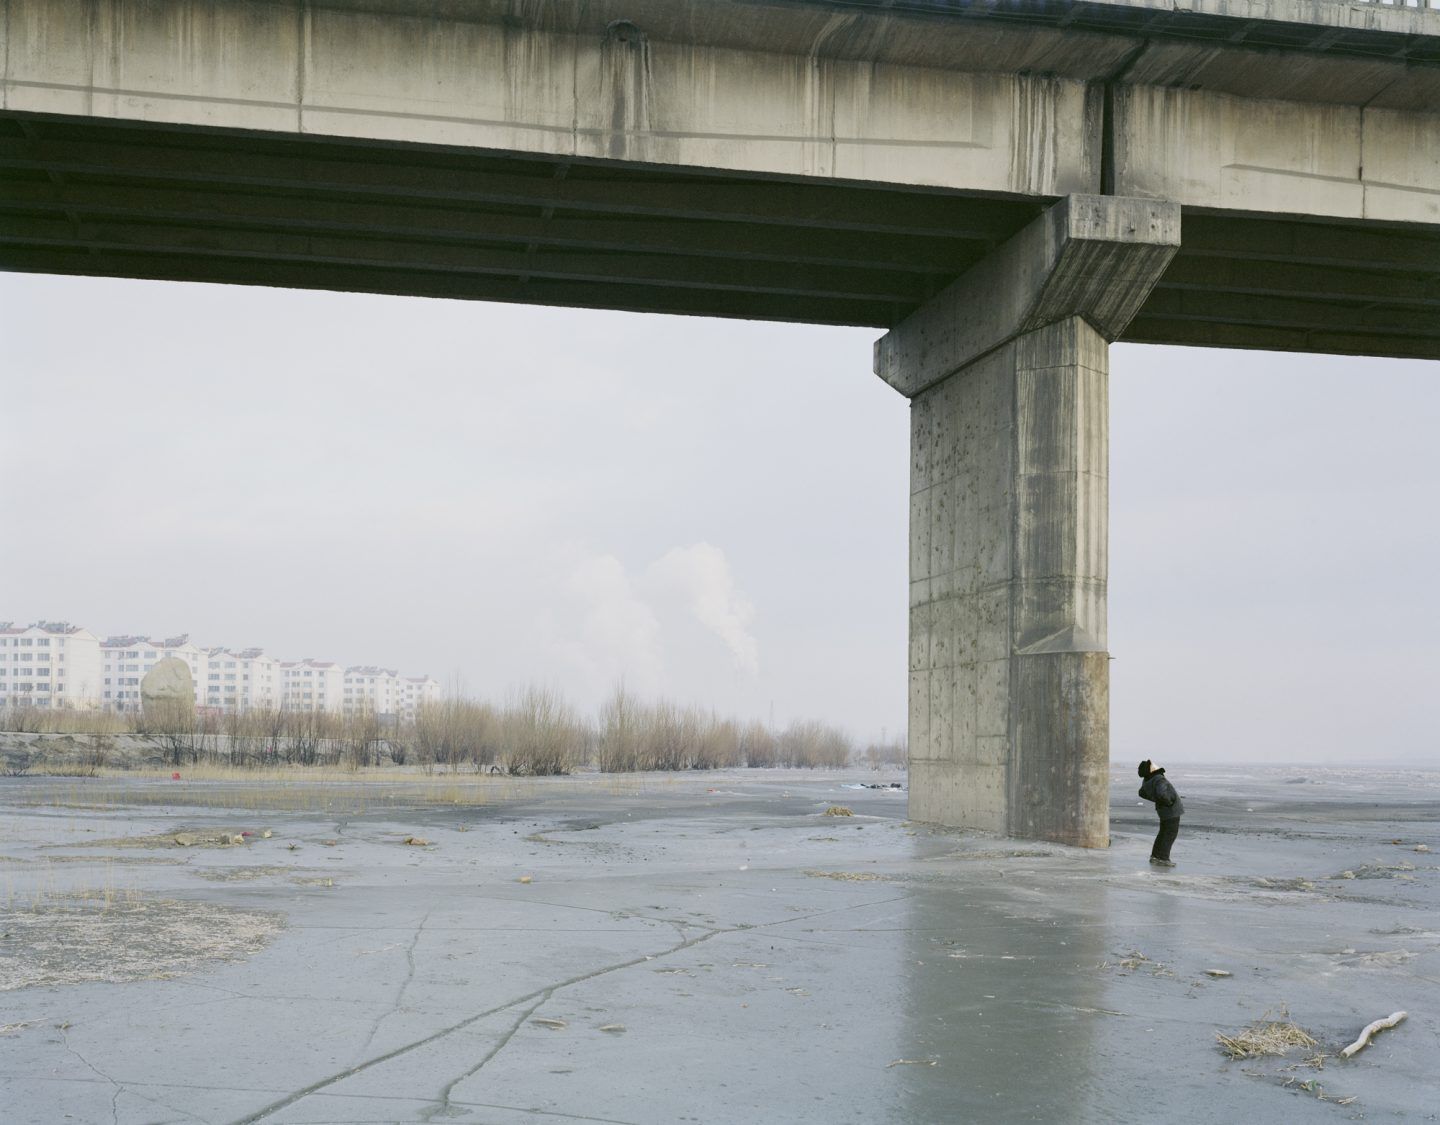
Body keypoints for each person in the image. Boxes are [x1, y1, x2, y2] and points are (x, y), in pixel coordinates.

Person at [1138, 759, 1184, 867]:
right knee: (1169, 835)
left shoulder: (1147, 780)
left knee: (1163, 834)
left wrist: (1156, 799)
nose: (1155, 765)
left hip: (1163, 810)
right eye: (1152, 765)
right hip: (1171, 810)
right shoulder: (1158, 778)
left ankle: (1155, 856)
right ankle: (1163, 858)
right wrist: (1169, 802)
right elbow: (1162, 793)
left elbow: (1142, 793)